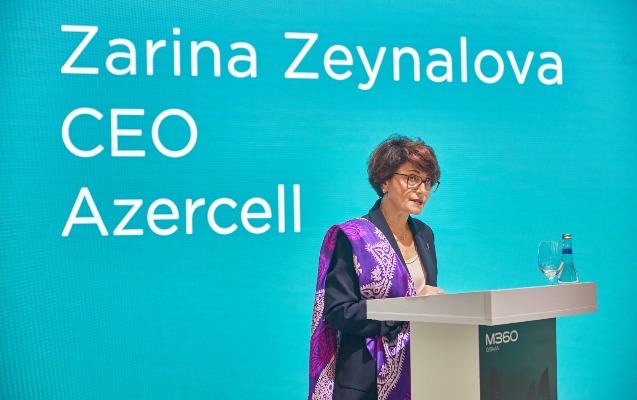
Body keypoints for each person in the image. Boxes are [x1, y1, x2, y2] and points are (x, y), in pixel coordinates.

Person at [309, 135, 445, 400]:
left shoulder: (425, 235)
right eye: (412, 178)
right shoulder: (354, 237)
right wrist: (410, 306)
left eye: (428, 181)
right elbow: (339, 312)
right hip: (365, 380)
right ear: (384, 181)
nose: (422, 190)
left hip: (418, 371)